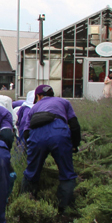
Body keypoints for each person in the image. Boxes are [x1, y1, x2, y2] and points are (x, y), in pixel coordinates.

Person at [21, 85, 81, 213]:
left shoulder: (34, 108)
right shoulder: (64, 102)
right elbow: (75, 126)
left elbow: (26, 133)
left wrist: (32, 151)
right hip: (59, 132)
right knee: (67, 173)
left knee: (31, 173)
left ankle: (26, 204)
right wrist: (74, 145)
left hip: (36, 135)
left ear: (38, 96)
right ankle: (64, 209)